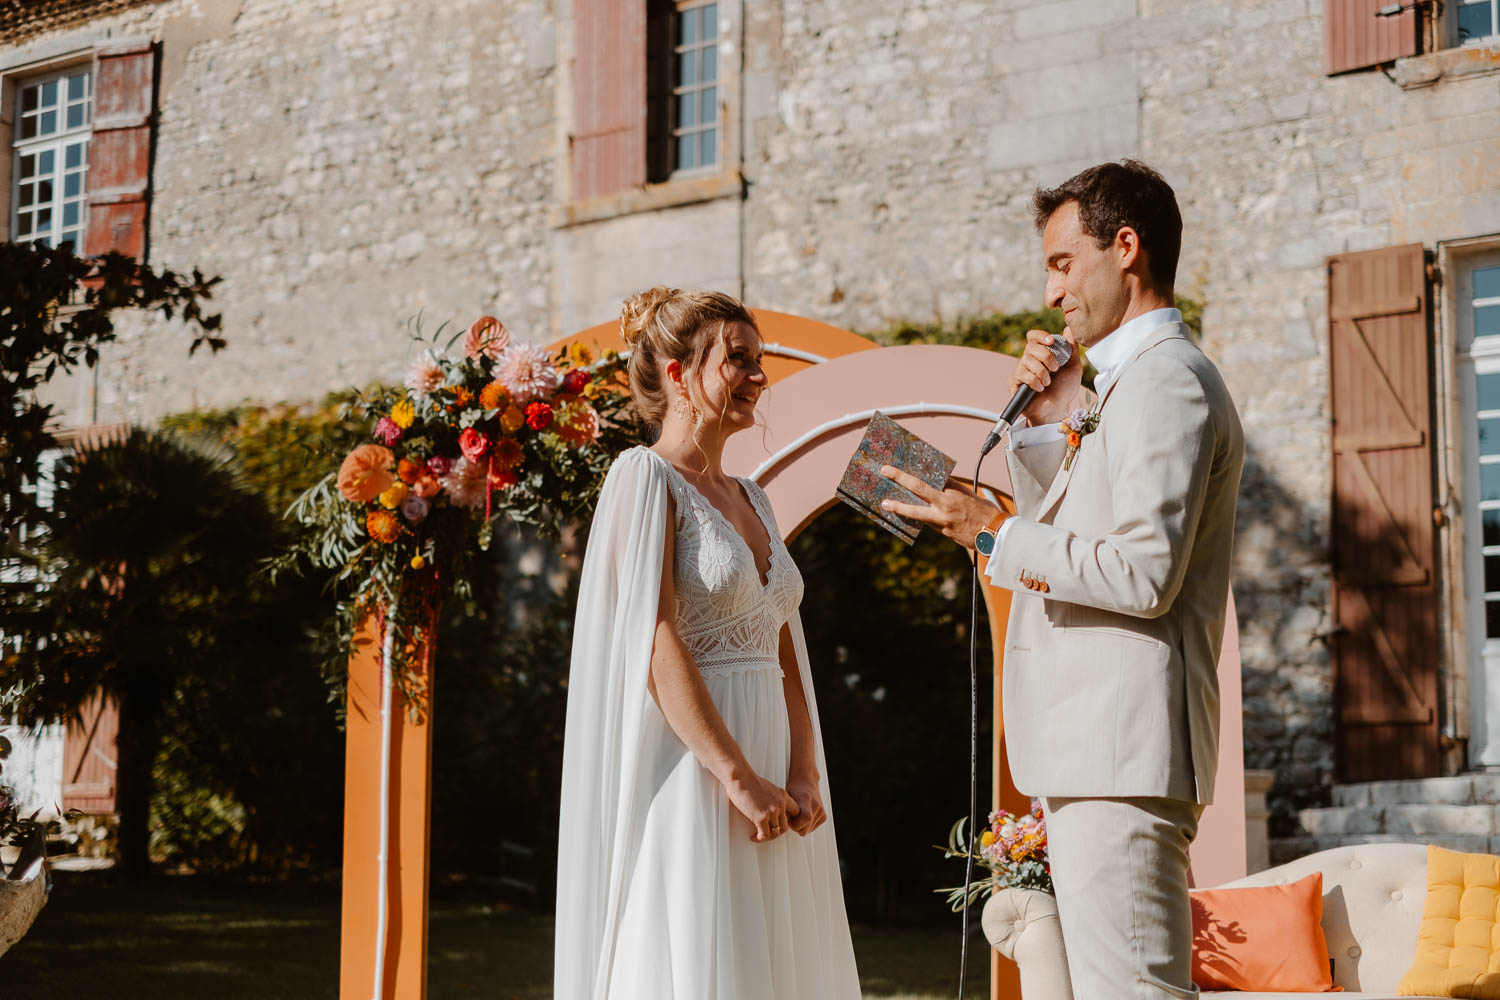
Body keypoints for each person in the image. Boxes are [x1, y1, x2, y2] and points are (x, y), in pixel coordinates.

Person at [886, 160, 1244, 999]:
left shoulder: (1168, 382)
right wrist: (1049, 431)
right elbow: (1093, 541)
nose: (1051, 294)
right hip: (1097, 757)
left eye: (1061, 262)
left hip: (1122, 758)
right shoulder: (1121, 386)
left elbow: (1142, 572)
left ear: (1126, 248)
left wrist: (997, 534)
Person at [554, 287, 861, 1000]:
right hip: (695, 771)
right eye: (740, 359)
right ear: (676, 373)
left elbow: (780, 643)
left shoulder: (754, 496)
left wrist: (803, 773)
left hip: (776, 776)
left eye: (760, 360)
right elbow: (656, 641)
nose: (760, 375)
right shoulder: (644, 479)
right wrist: (737, 778)